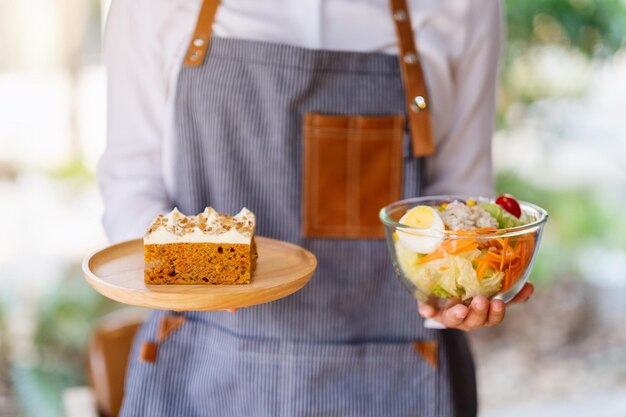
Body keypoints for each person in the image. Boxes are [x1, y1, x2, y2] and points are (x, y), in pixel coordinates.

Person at [99, 0, 533, 416]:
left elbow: (459, 192)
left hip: (396, 376)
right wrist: (199, 270)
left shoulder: (463, 5)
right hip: (203, 367)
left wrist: (456, 292)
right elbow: (130, 185)